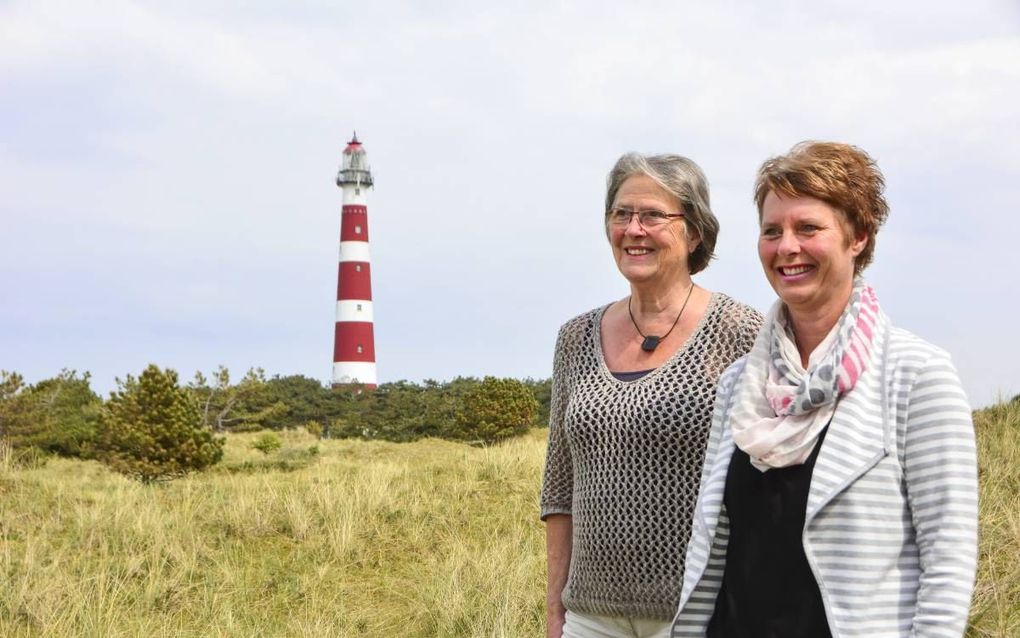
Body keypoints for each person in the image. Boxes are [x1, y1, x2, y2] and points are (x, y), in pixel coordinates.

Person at [672, 142, 979, 637]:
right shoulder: (740, 383)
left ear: (858, 237)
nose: (786, 246)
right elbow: (717, 544)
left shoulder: (915, 375)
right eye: (772, 231)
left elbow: (948, 556)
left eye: (808, 228)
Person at [540, 153, 763, 638]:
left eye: (653, 216)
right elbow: (560, 488)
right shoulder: (575, 338)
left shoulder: (742, 332)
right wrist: (555, 610)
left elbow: (767, 489)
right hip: (589, 616)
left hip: (700, 613)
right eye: (621, 214)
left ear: (695, 232)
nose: (633, 229)